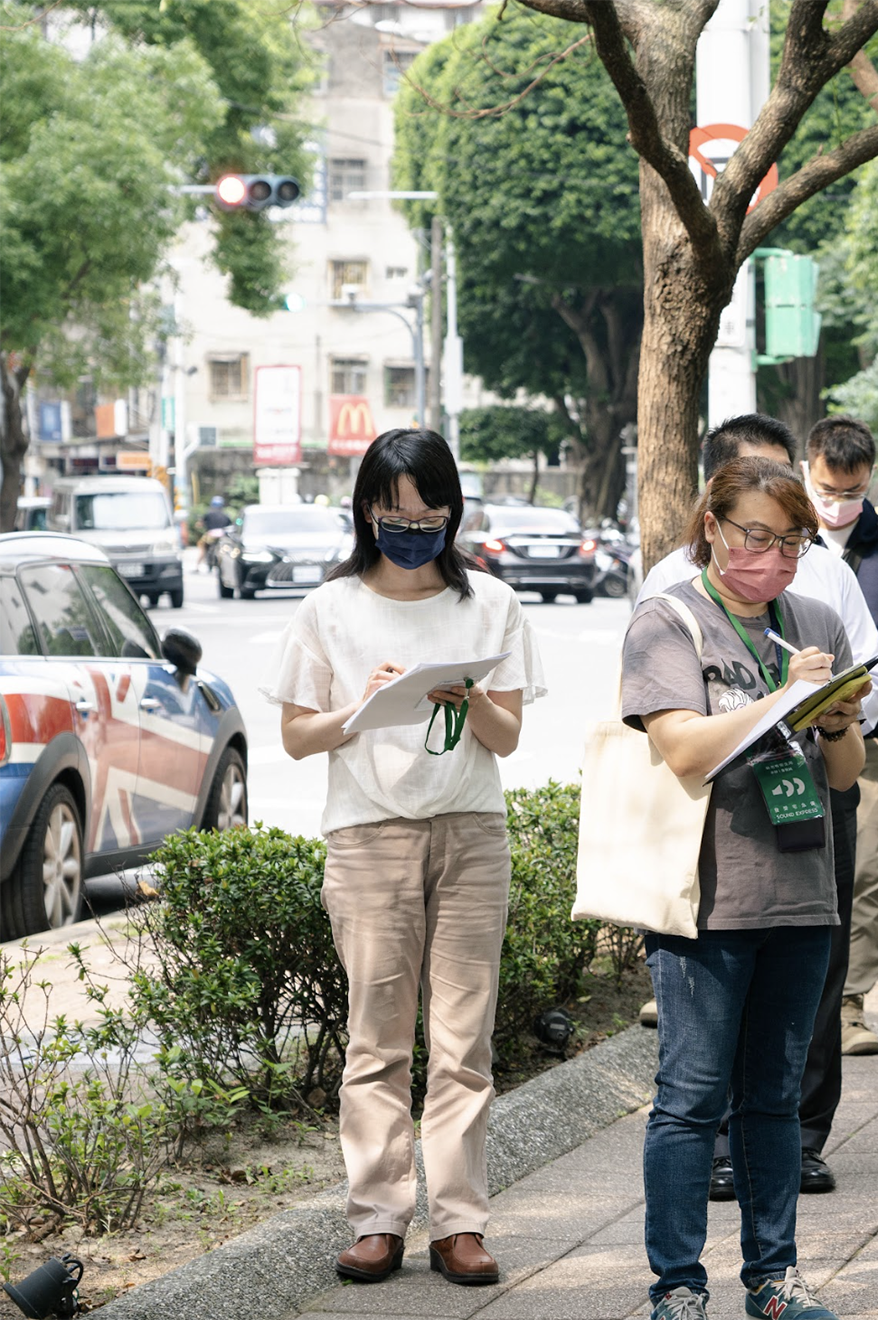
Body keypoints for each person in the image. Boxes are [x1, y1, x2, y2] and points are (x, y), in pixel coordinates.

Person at [270, 429, 543, 1289]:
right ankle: (376, 1219)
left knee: (465, 1042)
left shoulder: (490, 604)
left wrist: (465, 697)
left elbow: (506, 734)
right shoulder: (331, 608)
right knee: (376, 1039)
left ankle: (459, 1224)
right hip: (368, 835)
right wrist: (363, 705)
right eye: (395, 512)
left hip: (470, 832)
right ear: (367, 511)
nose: (413, 526)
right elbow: (294, 738)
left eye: (430, 512)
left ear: (453, 512)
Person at [623, 457, 865, 1320]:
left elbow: (845, 772)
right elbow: (683, 749)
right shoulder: (669, 621)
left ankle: (774, 1278)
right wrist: (784, 699)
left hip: (802, 891)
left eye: (792, 540)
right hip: (707, 897)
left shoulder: (817, 618)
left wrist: (834, 716)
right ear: (714, 526)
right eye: (756, 535)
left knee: (776, 1095)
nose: (774, 556)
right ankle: (677, 1287)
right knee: (691, 1096)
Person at [802, 416, 878, 1056]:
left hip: (871, 730)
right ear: (806, 469)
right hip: (787, 730)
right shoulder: (782, 536)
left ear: (870, 480)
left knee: (867, 867)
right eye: (826, 490)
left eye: (851, 493)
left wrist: (867, 675)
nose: (837, 506)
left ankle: (850, 1004)